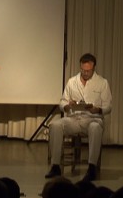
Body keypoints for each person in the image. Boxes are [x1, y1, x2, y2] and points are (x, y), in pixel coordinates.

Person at [45, 53, 112, 181]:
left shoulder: (102, 83)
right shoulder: (72, 81)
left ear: (93, 68)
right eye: (83, 70)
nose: (85, 73)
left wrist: (97, 109)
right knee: (55, 125)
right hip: (74, 119)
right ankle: (55, 166)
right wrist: (67, 106)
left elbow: (108, 107)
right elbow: (62, 102)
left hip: (92, 118)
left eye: (88, 71)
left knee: (95, 128)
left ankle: (92, 167)